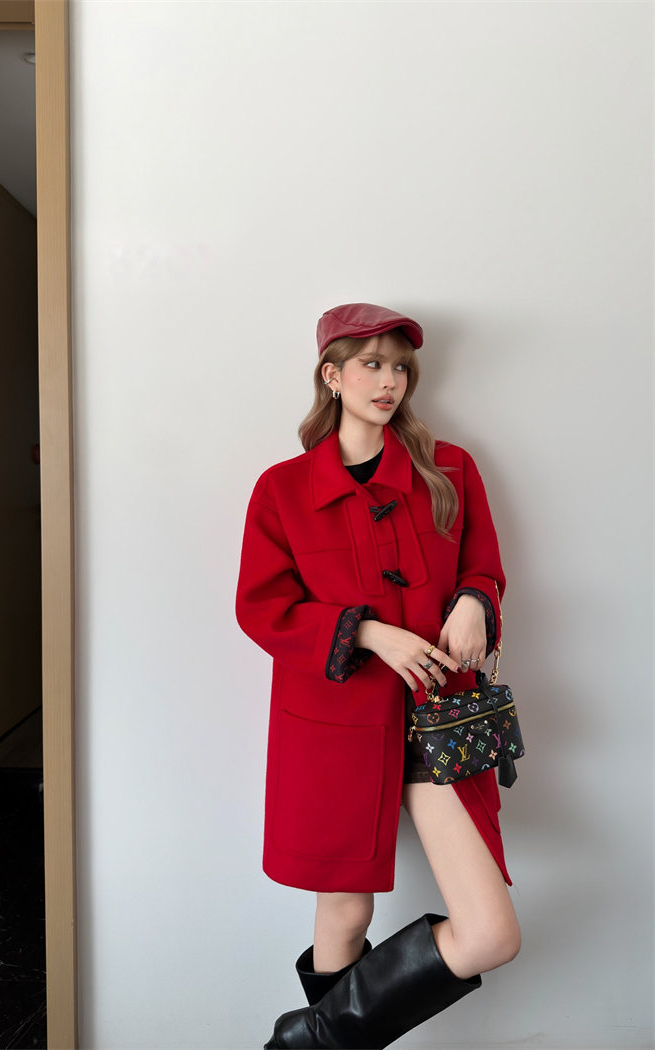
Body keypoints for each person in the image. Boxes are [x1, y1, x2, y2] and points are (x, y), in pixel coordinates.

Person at [235, 303, 521, 1049]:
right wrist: (366, 631)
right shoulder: (283, 489)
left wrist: (474, 600)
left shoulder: (449, 468)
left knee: (490, 931)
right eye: (372, 364)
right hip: (335, 725)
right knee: (346, 913)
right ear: (332, 376)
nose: (390, 380)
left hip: (438, 719)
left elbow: (484, 566)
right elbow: (261, 607)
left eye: (400, 367)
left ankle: (302, 1041)